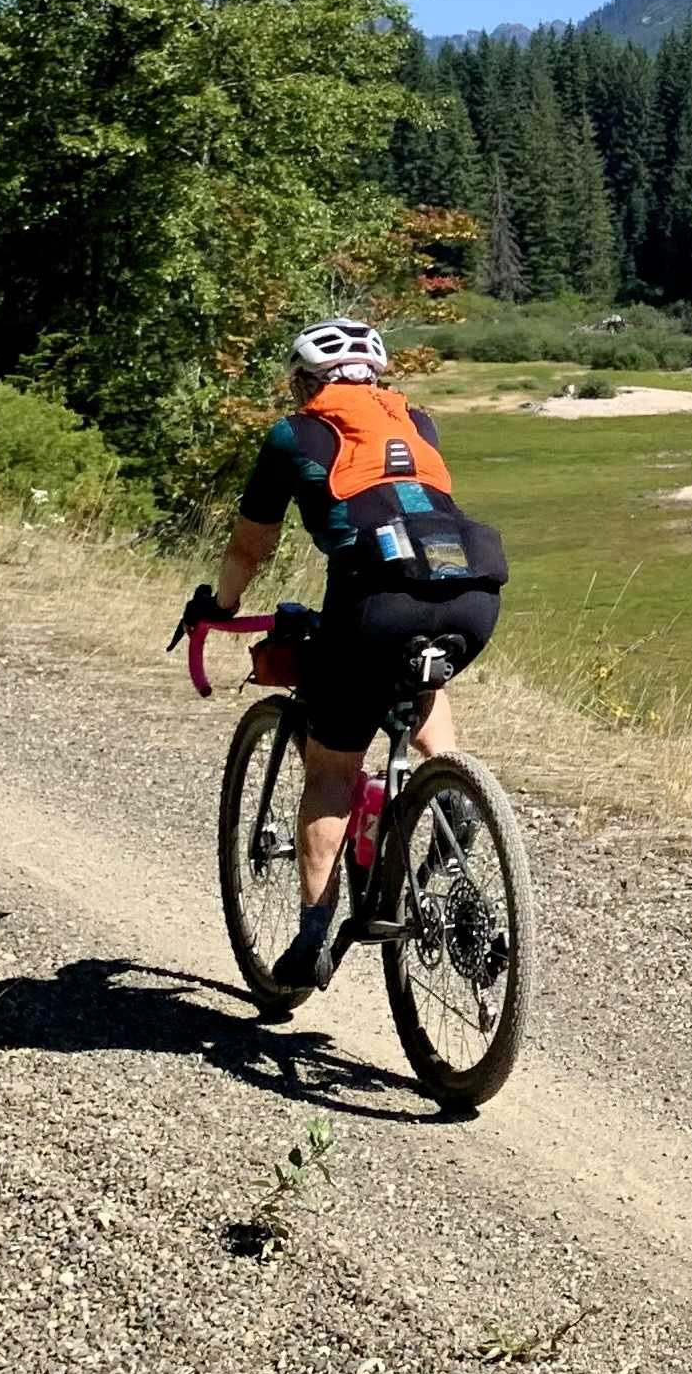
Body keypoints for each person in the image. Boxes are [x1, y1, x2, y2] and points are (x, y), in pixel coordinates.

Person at [189, 319, 507, 995]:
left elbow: (250, 548)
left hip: (375, 602)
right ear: (377, 378)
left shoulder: (294, 434)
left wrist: (219, 604)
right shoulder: (417, 421)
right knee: (424, 664)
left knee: (332, 772)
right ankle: (448, 781)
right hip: (472, 593)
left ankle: (311, 936)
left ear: (305, 381)